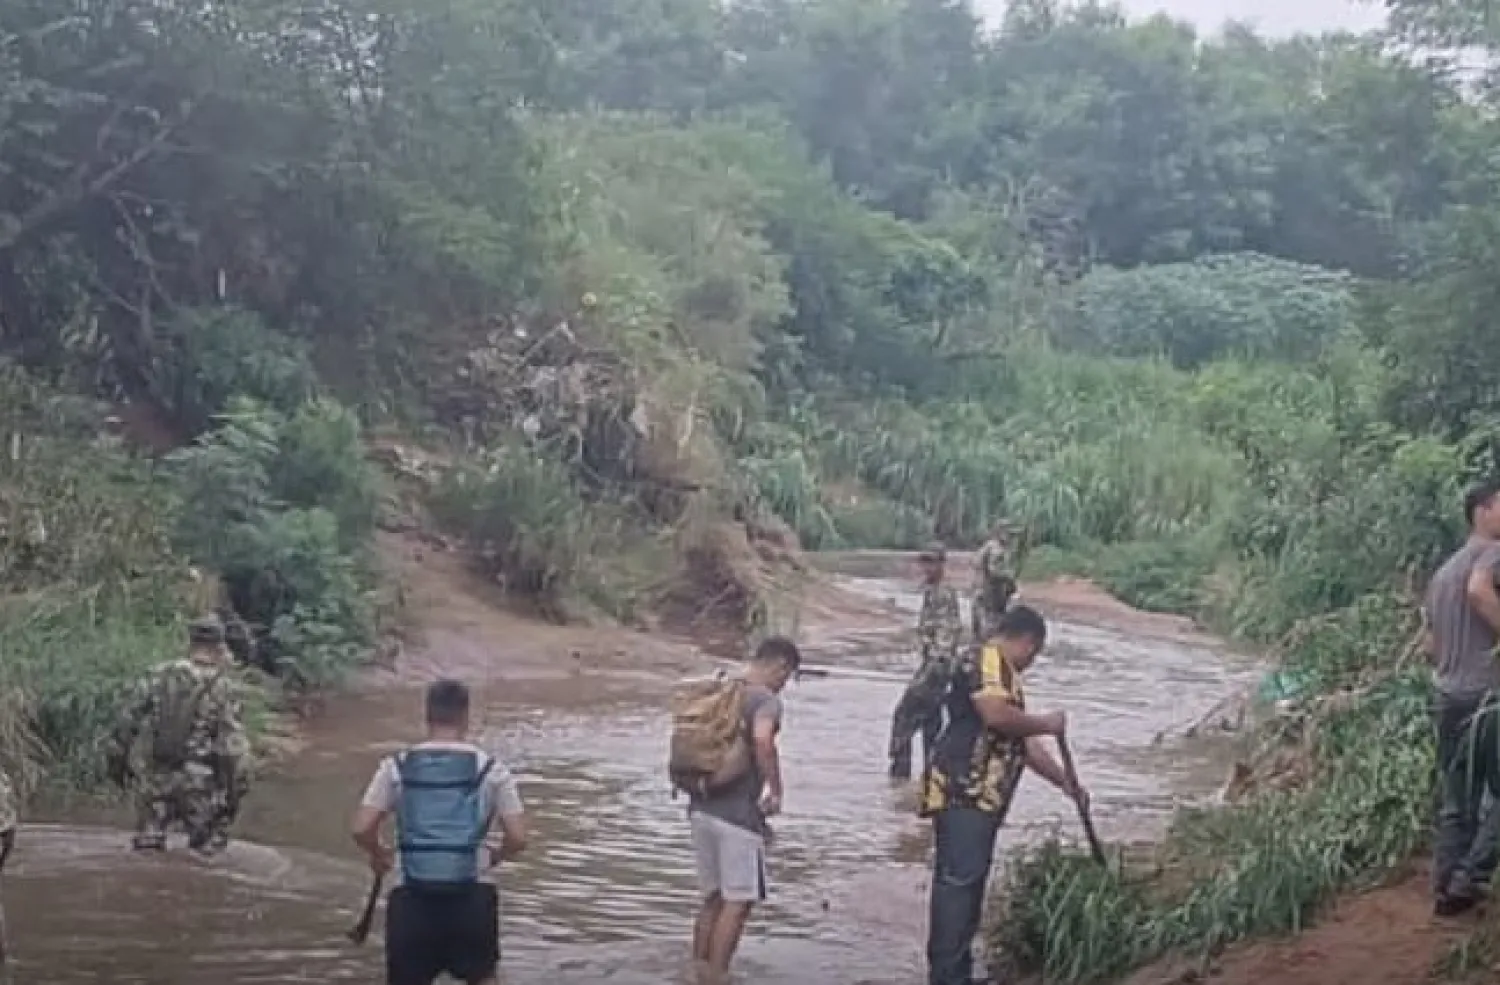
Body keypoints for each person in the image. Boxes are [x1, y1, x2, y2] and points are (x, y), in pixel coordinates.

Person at [919, 605, 1086, 985]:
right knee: (959, 883)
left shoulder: (1004, 673)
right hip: (967, 788)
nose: (1032, 662)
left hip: (979, 793)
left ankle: (954, 971)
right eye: (1034, 653)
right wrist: (1047, 721)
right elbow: (997, 716)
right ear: (1027, 641)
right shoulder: (986, 659)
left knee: (968, 881)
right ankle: (947, 978)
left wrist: (1065, 782)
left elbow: (1022, 743)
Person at [351, 679, 528, 985]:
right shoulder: (491, 769)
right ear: (465, 716)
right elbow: (519, 837)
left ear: (427, 715)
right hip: (472, 900)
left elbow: (361, 828)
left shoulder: (396, 766)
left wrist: (378, 853)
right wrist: (495, 857)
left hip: (411, 899)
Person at [689, 636, 801, 985]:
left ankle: (696, 971)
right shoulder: (764, 699)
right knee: (737, 903)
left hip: (701, 806)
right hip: (737, 817)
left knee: (713, 899)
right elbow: (763, 740)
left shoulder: (723, 689)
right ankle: (718, 977)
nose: (785, 685)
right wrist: (776, 790)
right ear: (780, 666)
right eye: (788, 676)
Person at [107, 614, 249, 855]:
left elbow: (124, 724)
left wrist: (118, 767)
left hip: (156, 780)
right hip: (200, 785)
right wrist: (233, 795)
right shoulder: (224, 688)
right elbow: (232, 749)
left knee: (147, 850)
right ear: (219, 646)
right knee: (204, 856)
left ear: (190, 642)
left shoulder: (157, 675)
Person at [1425, 478, 1500, 916]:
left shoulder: (1443, 571)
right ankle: (1468, 880)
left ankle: (1446, 888)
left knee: (1459, 800)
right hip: (1488, 698)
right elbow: (1478, 590)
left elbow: (1429, 645)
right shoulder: (1492, 555)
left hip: (1448, 695)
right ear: (1483, 511)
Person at [889, 544, 963, 780]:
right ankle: (931, 782)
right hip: (935, 668)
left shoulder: (943, 594)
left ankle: (900, 777)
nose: (927, 567)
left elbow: (947, 636)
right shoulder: (933, 591)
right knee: (931, 728)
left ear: (942, 564)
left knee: (902, 719)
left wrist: (934, 670)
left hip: (936, 669)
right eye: (924, 561)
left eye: (932, 562)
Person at [972, 522, 1022, 642]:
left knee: (988, 628)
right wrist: (1009, 577)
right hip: (989, 594)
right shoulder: (995, 548)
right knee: (990, 631)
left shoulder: (996, 547)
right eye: (1009, 534)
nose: (1011, 538)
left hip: (991, 594)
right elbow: (993, 571)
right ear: (1000, 533)